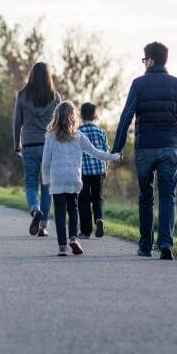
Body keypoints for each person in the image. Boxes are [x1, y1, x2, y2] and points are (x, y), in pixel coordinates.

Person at [111, 41, 177, 260]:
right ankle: (166, 244)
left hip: (145, 148)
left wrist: (117, 147)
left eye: (143, 59)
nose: (143, 63)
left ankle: (146, 246)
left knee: (146, 197)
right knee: (168, 196)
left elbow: (126, 115)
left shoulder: (138, 84)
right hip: (169, 148)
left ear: (150, 60)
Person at [41, 101, 122, 256]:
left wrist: (46, 179)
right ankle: (73, 237)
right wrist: (115, 156)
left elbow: (46, 161)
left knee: (59, 212)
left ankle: (62, 247)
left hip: (57, 180)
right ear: (73, 117)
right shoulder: (79, 137)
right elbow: (97, 153)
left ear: (57, 117)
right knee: (73, 209)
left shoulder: (51, 136)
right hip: (73, 179)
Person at [12, 62, 62, 237]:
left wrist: (15, 144)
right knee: (47, 185)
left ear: (31, 76)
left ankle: (35, 209)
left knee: (31, 183)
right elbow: (60, 124)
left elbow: (17, 123)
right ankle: (43, 226)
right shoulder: (55, 98)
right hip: (49, 145)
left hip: (29, 145)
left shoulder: (22, 96)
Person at [76, 102, 109, 239]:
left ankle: (85, 231)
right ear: (95, 115)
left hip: (82, 172)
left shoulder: (77, 132)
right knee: (97, 198)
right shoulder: (101, 132)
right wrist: (105, 169)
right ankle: (99, 219)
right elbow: (105, 152)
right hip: (98, 170)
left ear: (81, 115)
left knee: (83, 200)